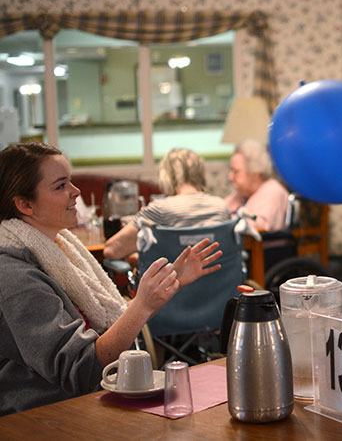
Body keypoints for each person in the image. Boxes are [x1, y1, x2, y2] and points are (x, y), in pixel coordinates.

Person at [0, 143, 223, 415]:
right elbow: (82, 370)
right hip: (43, 416)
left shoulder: (59, 249)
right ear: (24, 204)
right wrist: (142, 305)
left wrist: (168, 281)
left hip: (85, 401)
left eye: (70, 181)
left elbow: (113, 319)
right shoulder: (13, 275)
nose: (77, 192)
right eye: (61, 186)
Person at [104, 148, 231, 260]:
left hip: (174, 285)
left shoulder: (159, 210)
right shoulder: (220, 206)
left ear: (167, 177)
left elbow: (111, 250)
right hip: (220, 285)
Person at [225, 139, 289, 232]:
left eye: (236, 172)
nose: (230, 177)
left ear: (254, 172)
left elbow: (262, 226)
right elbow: (220, 211)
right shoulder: (242, 193)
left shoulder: (273, 191)